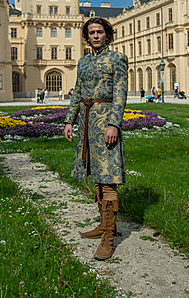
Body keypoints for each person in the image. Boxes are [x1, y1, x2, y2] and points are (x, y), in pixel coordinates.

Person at [63, 17, 128, 261]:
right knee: (97, 178)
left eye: (100, 32)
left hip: (105, 123)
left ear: (107, 35)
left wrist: (114, 124)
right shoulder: (83, 62)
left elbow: (120, 93)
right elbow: (77, 92)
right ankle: (103, 224)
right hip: (87, 124)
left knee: (108, 178)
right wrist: (70, 120)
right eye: (91, 32)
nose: (96, 36)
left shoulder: (117, 59)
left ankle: (109, 237)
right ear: (87, 36)